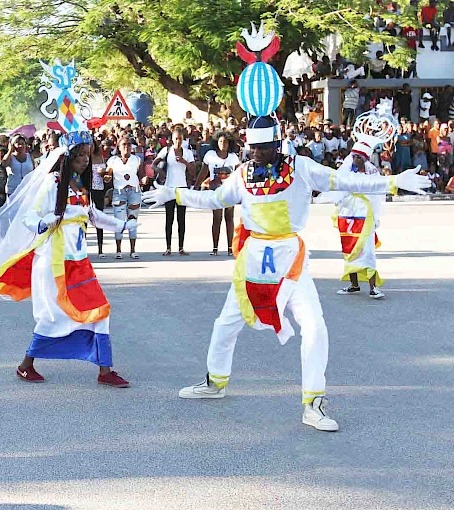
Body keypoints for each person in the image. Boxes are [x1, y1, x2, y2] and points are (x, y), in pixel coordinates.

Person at [143, 25, 431, 432]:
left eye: (261, 148)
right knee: (225, 324)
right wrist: (175, 193)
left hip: (291, 261)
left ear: (276, 146)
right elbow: (212, 200)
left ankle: (313, 403)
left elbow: (347, 180)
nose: (254, 154)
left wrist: (393, 183)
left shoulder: (301, 169)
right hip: (252, 262)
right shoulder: (243, 174)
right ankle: (215, 382)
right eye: (251, 148)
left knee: (315, 328)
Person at [0, 142, 133, 388]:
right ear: (67, 158)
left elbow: (93, 216)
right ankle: (26, 365)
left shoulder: (80, 186)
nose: (85, 162)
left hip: (78, 261)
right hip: (53, 262)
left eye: (87, 157)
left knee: (100, 309)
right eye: (80, 157)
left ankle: (105, 370)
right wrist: (44, 221)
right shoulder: (52, 184)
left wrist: (122, 225)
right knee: (52, 316)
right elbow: (29, 216)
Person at [321, 142, 389, 299]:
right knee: (349, 248)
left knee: (368, 250)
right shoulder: (345, 172)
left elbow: (378, 195)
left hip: (365, 215)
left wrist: (376, 216)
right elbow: (337, 189)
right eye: (354, 156)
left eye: (359, 157)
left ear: (365, 158)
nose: (355, 159)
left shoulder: (372, 173)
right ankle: (354, 284)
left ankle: (373, 287)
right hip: (348, 214)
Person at [195, 131, 240, 256]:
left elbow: (238, 175)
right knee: (217, 218)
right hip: (215, 191)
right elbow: (204, 172)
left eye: (225, 142)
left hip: (230, 191)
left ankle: (230, 248)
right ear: (216, 142)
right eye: (220, 141)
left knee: (229, 218)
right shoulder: (210, 155)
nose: (223, 144)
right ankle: (215, 248)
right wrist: (196, 186)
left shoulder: (233, 157)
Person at [152, 128, 194, 256]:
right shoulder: (166, 150)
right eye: (176, 139)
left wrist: (184, 161)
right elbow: (153, 164)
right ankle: (168, 247)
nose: (178, 141)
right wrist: (161, 172)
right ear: (172, 139)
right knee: (169, 218)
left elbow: (193, 171)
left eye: (180, 139)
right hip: (169, 188)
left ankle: (181, 247)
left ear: (183, 139)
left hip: (182, 188)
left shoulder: (187, 153)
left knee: (181, 219)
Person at [105, 136, 144, 259]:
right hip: (119, 192)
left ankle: (133, 250)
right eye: (123, 145)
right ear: (119, 147)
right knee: (119, 220)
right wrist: (105, 176)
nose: (126, 147)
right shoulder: (113, 161)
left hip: (134, 191)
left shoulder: (136, 159)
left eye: (128, 144)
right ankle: (118, 250)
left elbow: (141, 175)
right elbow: (108, 174)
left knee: (132, 219)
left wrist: (144, 179)